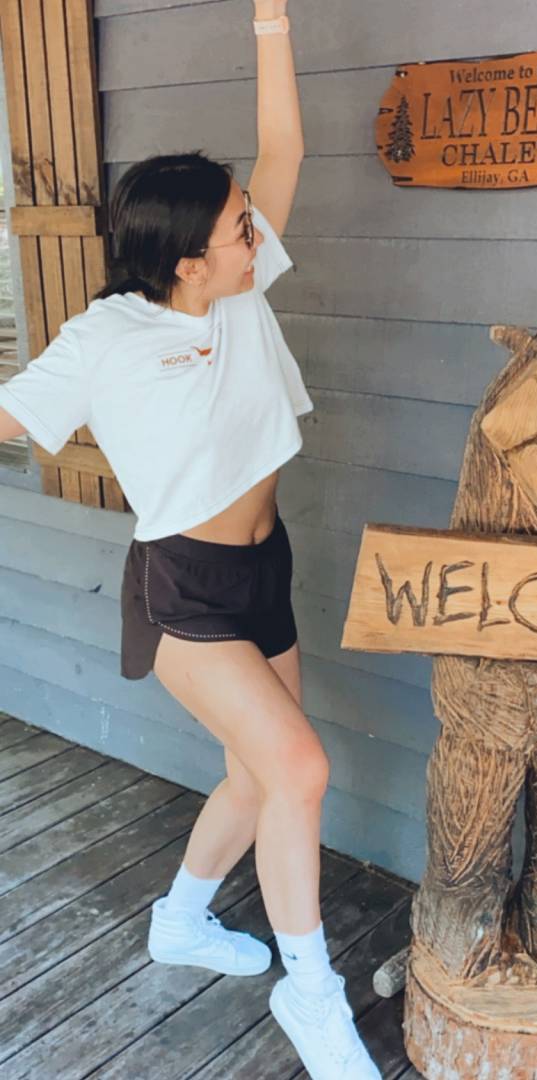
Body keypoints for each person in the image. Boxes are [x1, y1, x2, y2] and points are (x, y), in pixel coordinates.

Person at [0, 3, 376, 1077]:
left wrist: (269, 18)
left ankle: (181, 921)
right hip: (183, 590)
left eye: (250, 220)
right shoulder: (104, 338)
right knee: (299, 766)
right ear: (186, 263)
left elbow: (287, 145)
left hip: (264, 568)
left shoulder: (242, 294)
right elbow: (9, 418)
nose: (257, 235)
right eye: (238, 230)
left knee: (259, 778)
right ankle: (314, 996)